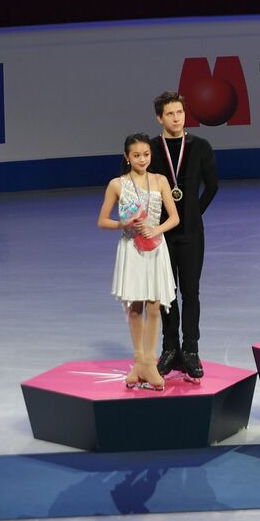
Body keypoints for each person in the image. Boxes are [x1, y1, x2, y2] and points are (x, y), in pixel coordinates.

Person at [98, 133, 181, 390]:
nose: (142, 159)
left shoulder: (160, 181)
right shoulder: (117, 184)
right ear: (127, 157)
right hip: (131, 248)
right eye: (136, 155)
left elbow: (174, 218)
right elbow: (103, 220)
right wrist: (123, 224)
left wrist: (157, 230)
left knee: (154, 305)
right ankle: (139, 361)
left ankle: (150, 362)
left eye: (146, 154)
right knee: (134, 307)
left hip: (155, 248)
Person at [148, 90, 219, 380]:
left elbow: (212, 186)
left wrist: (193, 214)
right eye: (170, 114)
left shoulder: (200, 146)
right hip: (161, 234)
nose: (176, 118)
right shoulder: (151, 148)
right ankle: (169, 348)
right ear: (159, 118)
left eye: (179, 112)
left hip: (191, 233)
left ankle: (190, 349)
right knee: (166, 294)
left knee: (190, 292)